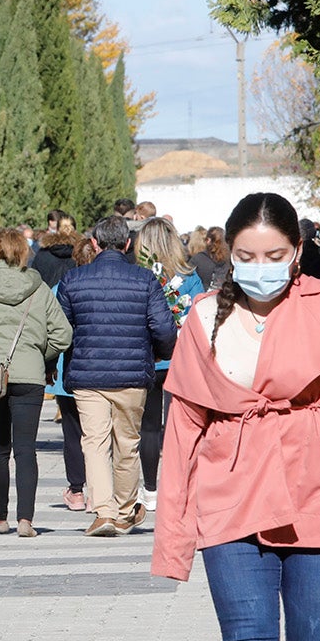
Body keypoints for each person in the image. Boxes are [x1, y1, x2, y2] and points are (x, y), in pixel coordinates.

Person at [152, 193, 320, 641]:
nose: (261, 268)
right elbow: (184, 429)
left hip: (318, 495)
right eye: (247, 257)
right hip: (229, 497)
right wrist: (173, 536)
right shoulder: (202, 316)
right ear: (228, 253)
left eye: (274, 256)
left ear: (297, 250)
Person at [57, 215, 177, 537]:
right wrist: (159, 354)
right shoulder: (145, 279)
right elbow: (164, 328)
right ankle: (125, 510)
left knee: (94, 443)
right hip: (132, 374)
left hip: (87, 374)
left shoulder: (73, 280)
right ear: (127, 244)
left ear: (94, 243)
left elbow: (60, 330)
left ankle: (104, 512)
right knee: (127, 443)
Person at [0, 229, 72, 537]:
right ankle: (26, 521)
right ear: (24, 252)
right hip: (30, 377)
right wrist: (38, 355)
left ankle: (0, 517)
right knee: (25, 449)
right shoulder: (39, 287)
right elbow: (63, 334)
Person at [134, 218, 205, 512]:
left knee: (149, 428)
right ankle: (181, 489)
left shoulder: (137, 276)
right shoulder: (190, 277)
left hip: (147, 357)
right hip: (181, 359)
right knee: (180, 428)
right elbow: (200, 315)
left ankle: (150, 489)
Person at [49, 236, 97, 512]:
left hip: (68, 371)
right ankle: (98, 490)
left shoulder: (61, 286)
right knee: (99, 433)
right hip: (100, 371)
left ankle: (77, 490)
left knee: (73, 433)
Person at [190, 227, 231, 291]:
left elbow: (188, 280)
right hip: (225, 294)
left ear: (208, 240)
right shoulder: (230, 259)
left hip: (203, 296)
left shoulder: (198, 259)